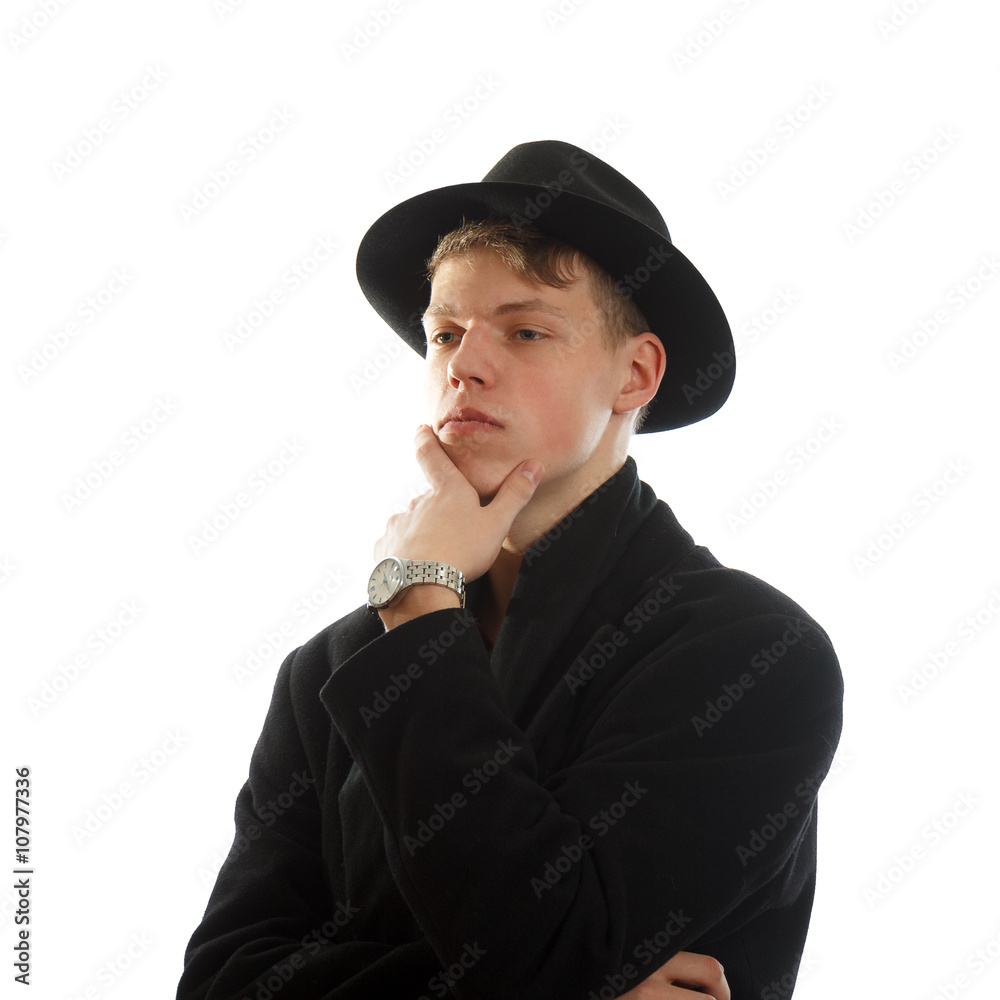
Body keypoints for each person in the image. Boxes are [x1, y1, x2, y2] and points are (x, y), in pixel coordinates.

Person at [176, 140, 843, 1000]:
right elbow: (222, 983)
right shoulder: (330, 670)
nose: (464, 365)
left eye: (526, 331)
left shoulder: (751, 652)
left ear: (635, 373)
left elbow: (549, 947)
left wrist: (420, 609)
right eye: (445, 334)